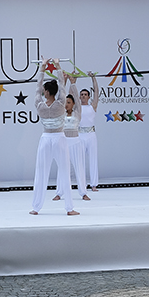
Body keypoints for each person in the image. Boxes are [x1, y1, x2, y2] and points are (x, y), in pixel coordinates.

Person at [30, 59, 78, 216]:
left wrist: (42, 68)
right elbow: (62, 87)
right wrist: (58, 66)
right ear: (55, 92)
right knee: (64, 172)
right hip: (58, 138)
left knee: (41, 173)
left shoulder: (39, 104)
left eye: (44, 90)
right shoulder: (60, 103)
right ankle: (69, 208)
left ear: (46, 91)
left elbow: (38, 87)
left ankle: (36, 208)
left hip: (46, 139)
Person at [54, 73, 90, 203]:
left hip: (76, 142)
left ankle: (83, 192)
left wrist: (72, 83)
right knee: (62, 168)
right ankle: (59, 192)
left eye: (69, 102)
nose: (66, 104)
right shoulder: (60, 113)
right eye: (65, 102)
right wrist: (62, 83)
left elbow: (75, 96)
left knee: (79, 167)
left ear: (74, 103)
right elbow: (60, 96)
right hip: (64, 142)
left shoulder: (77, 112)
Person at [78, 72, 99, 191]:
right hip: (80, 134)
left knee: (93, 159)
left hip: (91, 135)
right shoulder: (77, 107)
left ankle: (94, 184)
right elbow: (71, 94)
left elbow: (96, 91)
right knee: (80, 161)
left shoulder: (93, 106)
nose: (83, 96)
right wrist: (72, 80)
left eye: (85, 94)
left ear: (88, 96)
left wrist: (93, 78)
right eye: (81, 95)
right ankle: (82, 184)